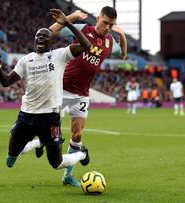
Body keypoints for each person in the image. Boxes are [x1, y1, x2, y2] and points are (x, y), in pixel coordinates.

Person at [23, 6, 127, 186]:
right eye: (105, 23)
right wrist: (71, 17)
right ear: (98, 18)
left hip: (82, 94)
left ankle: (67, 176)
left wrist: (122, 35)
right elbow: (50, 31)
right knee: (47, 125)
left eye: (111, 25)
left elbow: (124, 55)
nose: (107, 27)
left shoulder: (110, 42)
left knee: (77, 135)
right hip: (60, 88)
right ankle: (41, 142)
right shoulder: (83, 29)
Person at [0, 9, 91, 171]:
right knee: (11, 155)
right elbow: (6, 82)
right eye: (38, 36)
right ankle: (36, 144)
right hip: (26, 115)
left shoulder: (60, 55)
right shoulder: (26, 60)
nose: (40, 38)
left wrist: (67, 22)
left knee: (56, 163)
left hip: (49, 117)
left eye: (45, 36)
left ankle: (81, 154)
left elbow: (86, 45)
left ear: (51, 42)